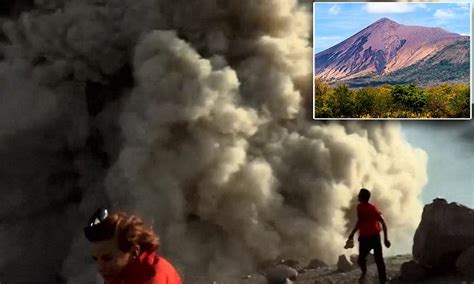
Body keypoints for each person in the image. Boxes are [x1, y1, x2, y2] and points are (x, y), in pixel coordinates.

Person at [84, 208, 182, 284]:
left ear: (134, 251)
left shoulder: (154, 276)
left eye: (108, 258)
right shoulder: (119, 274)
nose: (100, 267)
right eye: (96, 259)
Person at [346, 188, 391, 284]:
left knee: (379, 260)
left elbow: (383, 223)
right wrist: (352, 234)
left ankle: (383, 281)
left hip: (374, 237)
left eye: (359, 195)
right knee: (361, 259)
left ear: (362, 197)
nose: (357, 196)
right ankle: (364, 273)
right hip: (364, 238)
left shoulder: (373, 209)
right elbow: (360, 221)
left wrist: (386, 239)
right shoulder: (359, 207)